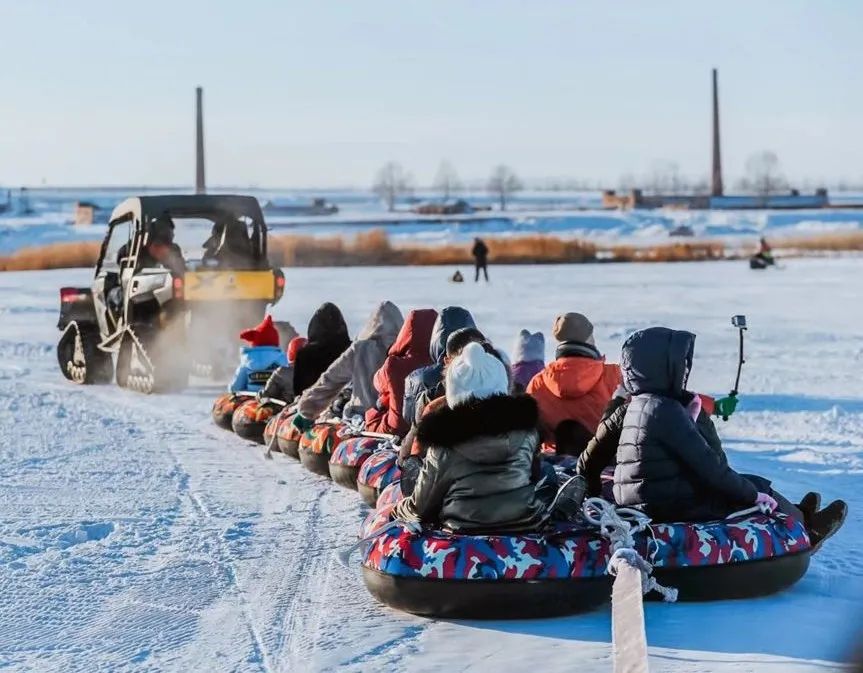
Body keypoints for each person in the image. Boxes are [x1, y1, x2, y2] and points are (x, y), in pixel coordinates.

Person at [600, 326, 847, 552]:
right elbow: (711, 467)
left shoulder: (634, 406)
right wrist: (751, 495)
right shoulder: (665, 410)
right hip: (668, 506)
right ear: (664, 367)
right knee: (755, 484)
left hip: (644, 500)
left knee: (744, 486)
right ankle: (808, 530)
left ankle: (800, 513)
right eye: (680, 364)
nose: (685, 370)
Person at [393, 342, 545, 533]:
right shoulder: (527, 433)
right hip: (525, 524)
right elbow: (534, 477)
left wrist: (396, 509)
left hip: (464, 531)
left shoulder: (444, 443)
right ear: (502, 385)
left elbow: (422, 507)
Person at [292, 301, 404, 429]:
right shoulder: (406, 349)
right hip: (395, 421)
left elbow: (331, 380)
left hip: (361, 419)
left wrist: (307, 409)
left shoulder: (360, 348)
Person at [526, 313, 620, 454]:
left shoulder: (537, 383)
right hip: (607, 461)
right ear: (588, 339)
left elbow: (530, 434)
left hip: (556, 466)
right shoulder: (615, 376)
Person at [365, 309, 438, 436]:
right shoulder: (445, 362)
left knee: (373, 417)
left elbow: (377, 382)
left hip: (396, 428)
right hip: (433, 430)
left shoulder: (394, 365)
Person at [402, 306, 477, 427]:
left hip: (430, 440)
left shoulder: (417, 378)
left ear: (436, 338)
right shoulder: (490, 372)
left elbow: (408, 419)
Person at [292, 303, 351, 397]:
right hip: (344, 404)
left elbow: (298, 391)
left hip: (312, 406)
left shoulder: (305, 355)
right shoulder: (351, 350)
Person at [228, 314, 288, 393]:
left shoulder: (247, 360)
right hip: (277, 401)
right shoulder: (283, 359)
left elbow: (235, 387)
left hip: (252, 401)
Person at [258, 336, 308, 403]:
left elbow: (267, 395)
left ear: (290, 353)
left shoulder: (281, 372)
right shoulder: (321, 372)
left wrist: (260, 395)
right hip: (315, 410)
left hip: (289, 410)